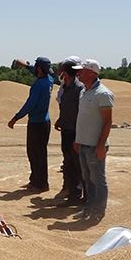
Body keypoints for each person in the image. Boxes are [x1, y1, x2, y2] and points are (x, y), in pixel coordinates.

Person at [72, 59, 114, 222]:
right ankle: (89, 207)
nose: (78, 73)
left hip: (95, 145)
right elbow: (82, 118)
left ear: (91, 73)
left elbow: (107, 121)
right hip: (83, 143)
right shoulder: (84, 91)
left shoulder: (103, 94)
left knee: (97, 179)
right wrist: (78, 139)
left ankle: (98, 210)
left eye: (81, 71)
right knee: (87, 178)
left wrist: (101, 145)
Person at [8, 56, 54, 192]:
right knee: (39, 153)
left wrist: (15, 118)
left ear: (39, 69)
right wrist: (25, 65)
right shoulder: (49, 79)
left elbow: (29, 105)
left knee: (35, 154)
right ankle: (35, 180)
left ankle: (41, 184)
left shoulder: (38, 85)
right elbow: (38, 71)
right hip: (44, 122)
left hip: (37, 124)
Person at [54, 56, 84, 206]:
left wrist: (78, 137)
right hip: (66, 130)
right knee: (68, 163)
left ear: (65, 73)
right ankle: (71, 192)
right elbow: (66, 107)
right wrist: (61, 119)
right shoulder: (65, 87)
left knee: (77, 164)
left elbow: (81, 113)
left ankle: (78, 194)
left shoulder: (79, 89)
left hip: (75, 132)